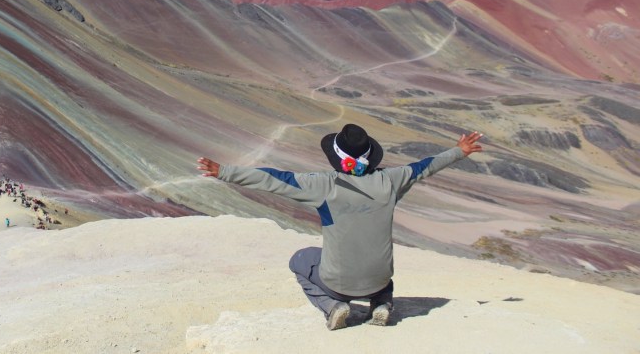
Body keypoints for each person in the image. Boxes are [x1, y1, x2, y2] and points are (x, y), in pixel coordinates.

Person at [197, 124, 483, 330]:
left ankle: (333, 307)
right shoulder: (392, 180)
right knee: (381, 267)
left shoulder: (323, 185)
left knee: (300, 260)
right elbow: (425, 167)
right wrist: (459, 151)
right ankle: (382, 305)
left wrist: (224, 171)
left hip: (338, 284)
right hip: (379, 280)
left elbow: (274, 179)